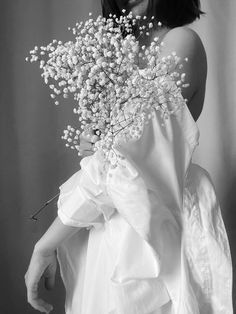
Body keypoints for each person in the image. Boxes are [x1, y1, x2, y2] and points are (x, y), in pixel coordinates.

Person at [25, 0, 233, 313]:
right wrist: (97, 141)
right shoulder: (118, 51)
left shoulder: (179, 41)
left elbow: (123, 163)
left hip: (153, 217)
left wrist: (46, 243)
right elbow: (110, 155)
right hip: (113, 220)